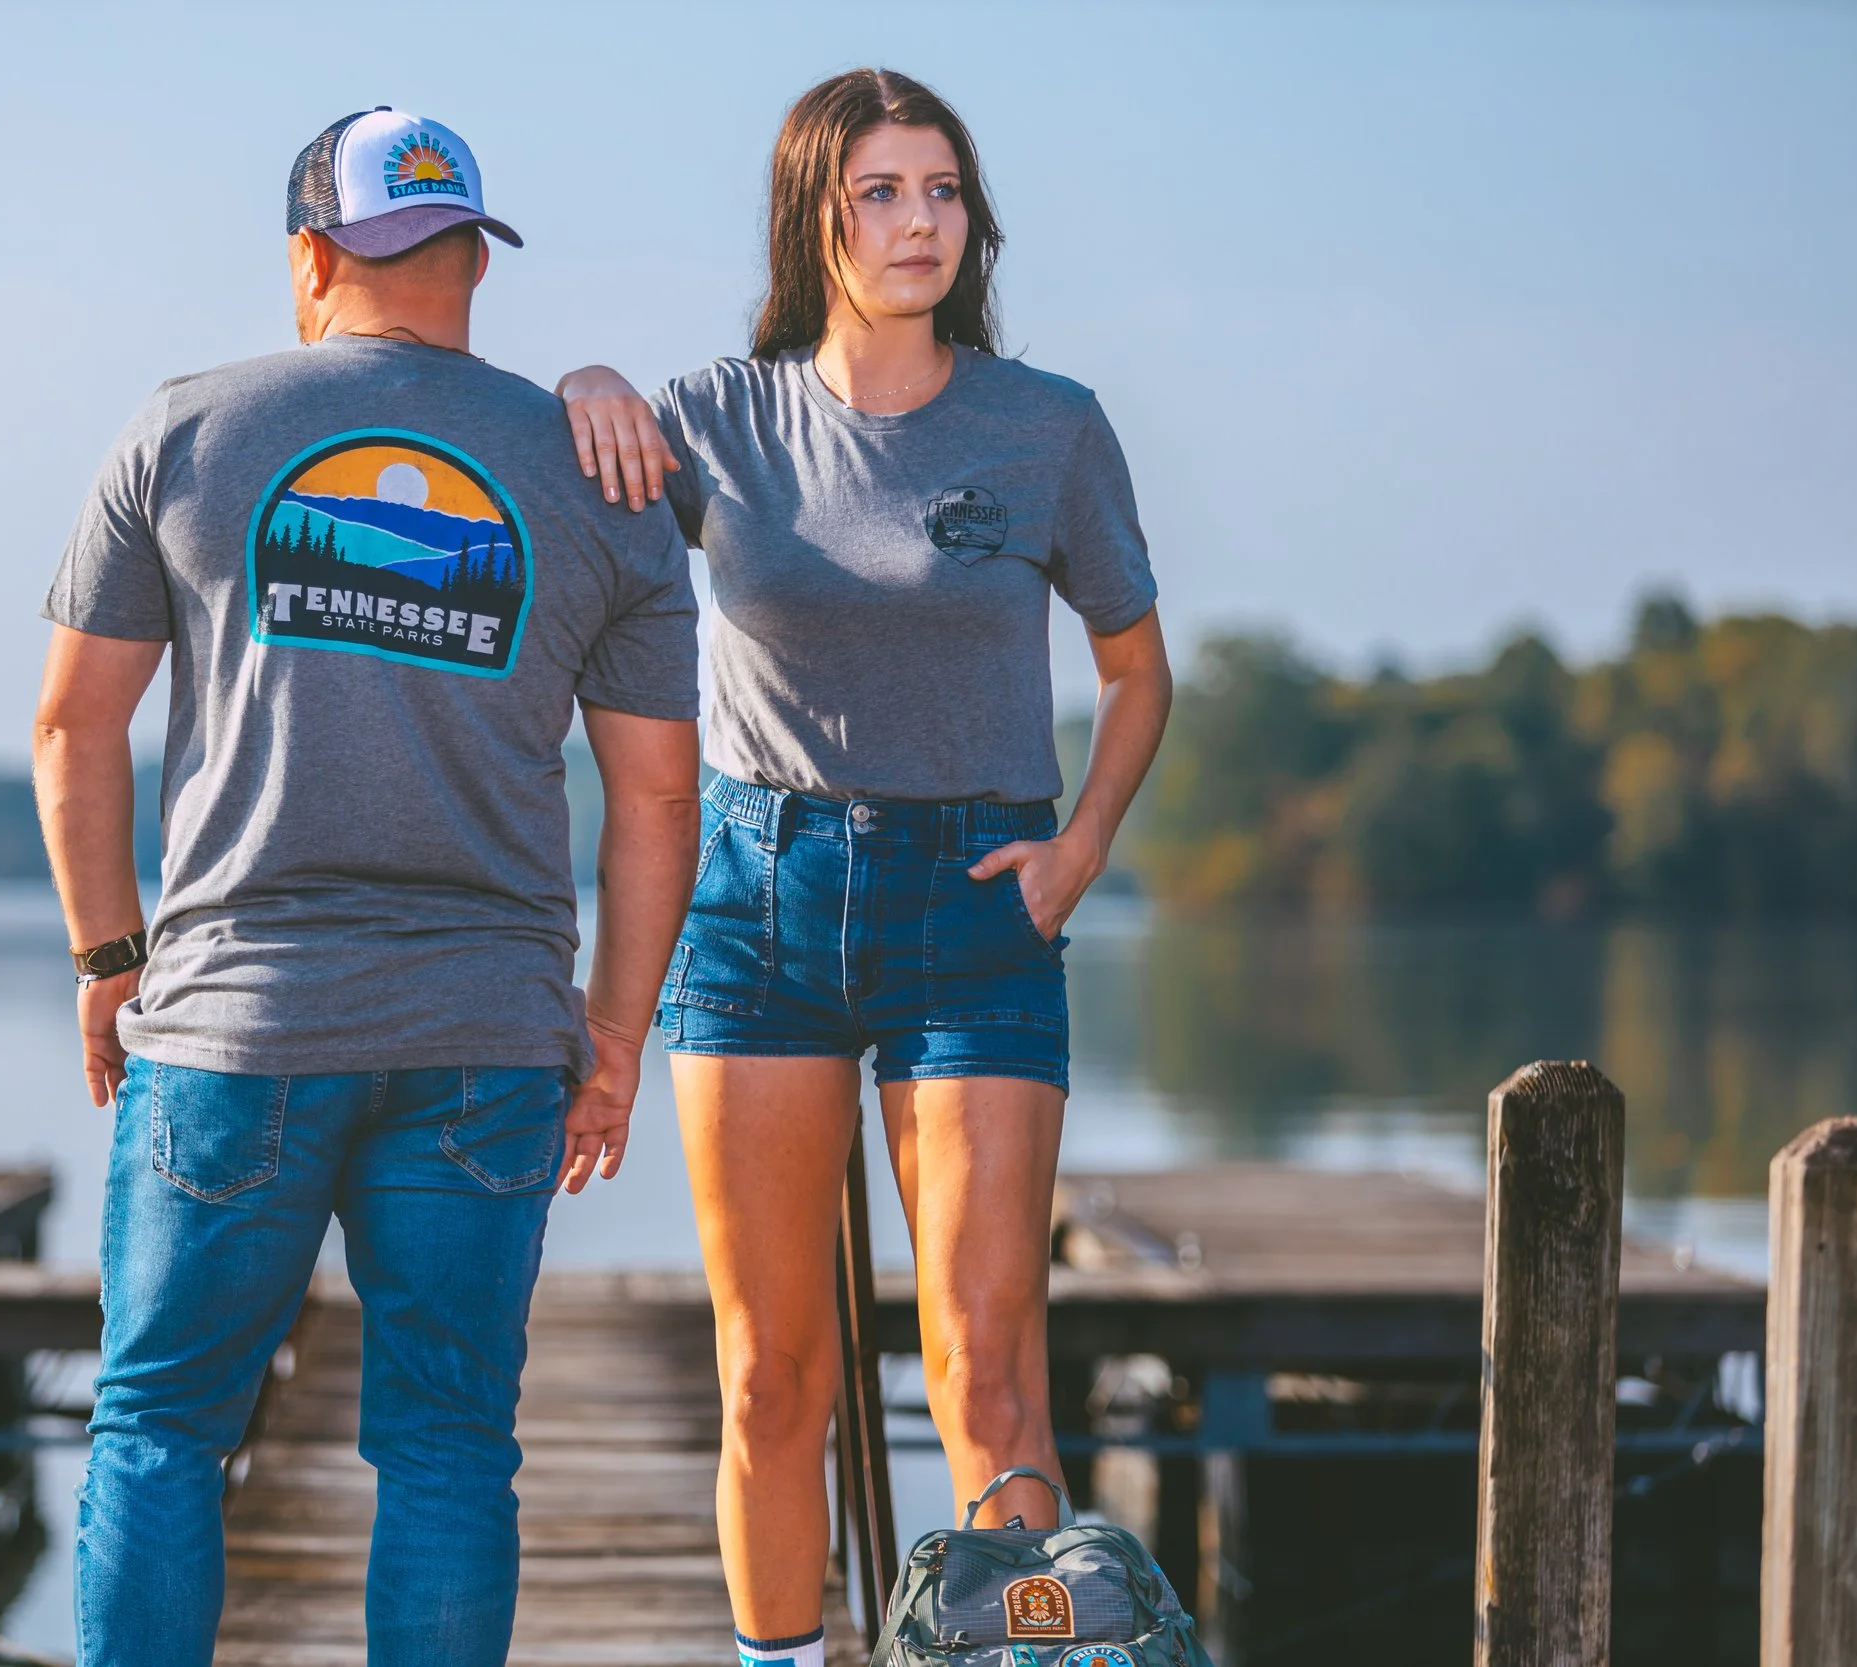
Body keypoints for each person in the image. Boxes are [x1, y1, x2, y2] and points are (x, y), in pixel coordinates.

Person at [33, 107, 703, 1667]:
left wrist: (106, 951)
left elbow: (76, 724)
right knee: (451, 1443)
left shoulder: (186, 430)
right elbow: (656, 794)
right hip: (486, 1036)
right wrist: (612, 1037)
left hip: (230, 1028)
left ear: (310, 259)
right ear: (471, 259)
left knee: (157, 1430)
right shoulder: (598, 472)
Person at [554, 69, 1174, 1667]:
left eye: (944, 191)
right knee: (771, 1373)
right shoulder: (721, 417)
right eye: (881, 193)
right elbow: (586, 466)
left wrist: (1085, 847)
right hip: (757, 904)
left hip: (980, 905)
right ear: (815, 218)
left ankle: (1024, 1651)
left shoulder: (1049, 428)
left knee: (987, 1368)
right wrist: (589, 374)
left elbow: (1136, 671)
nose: (919, 223)